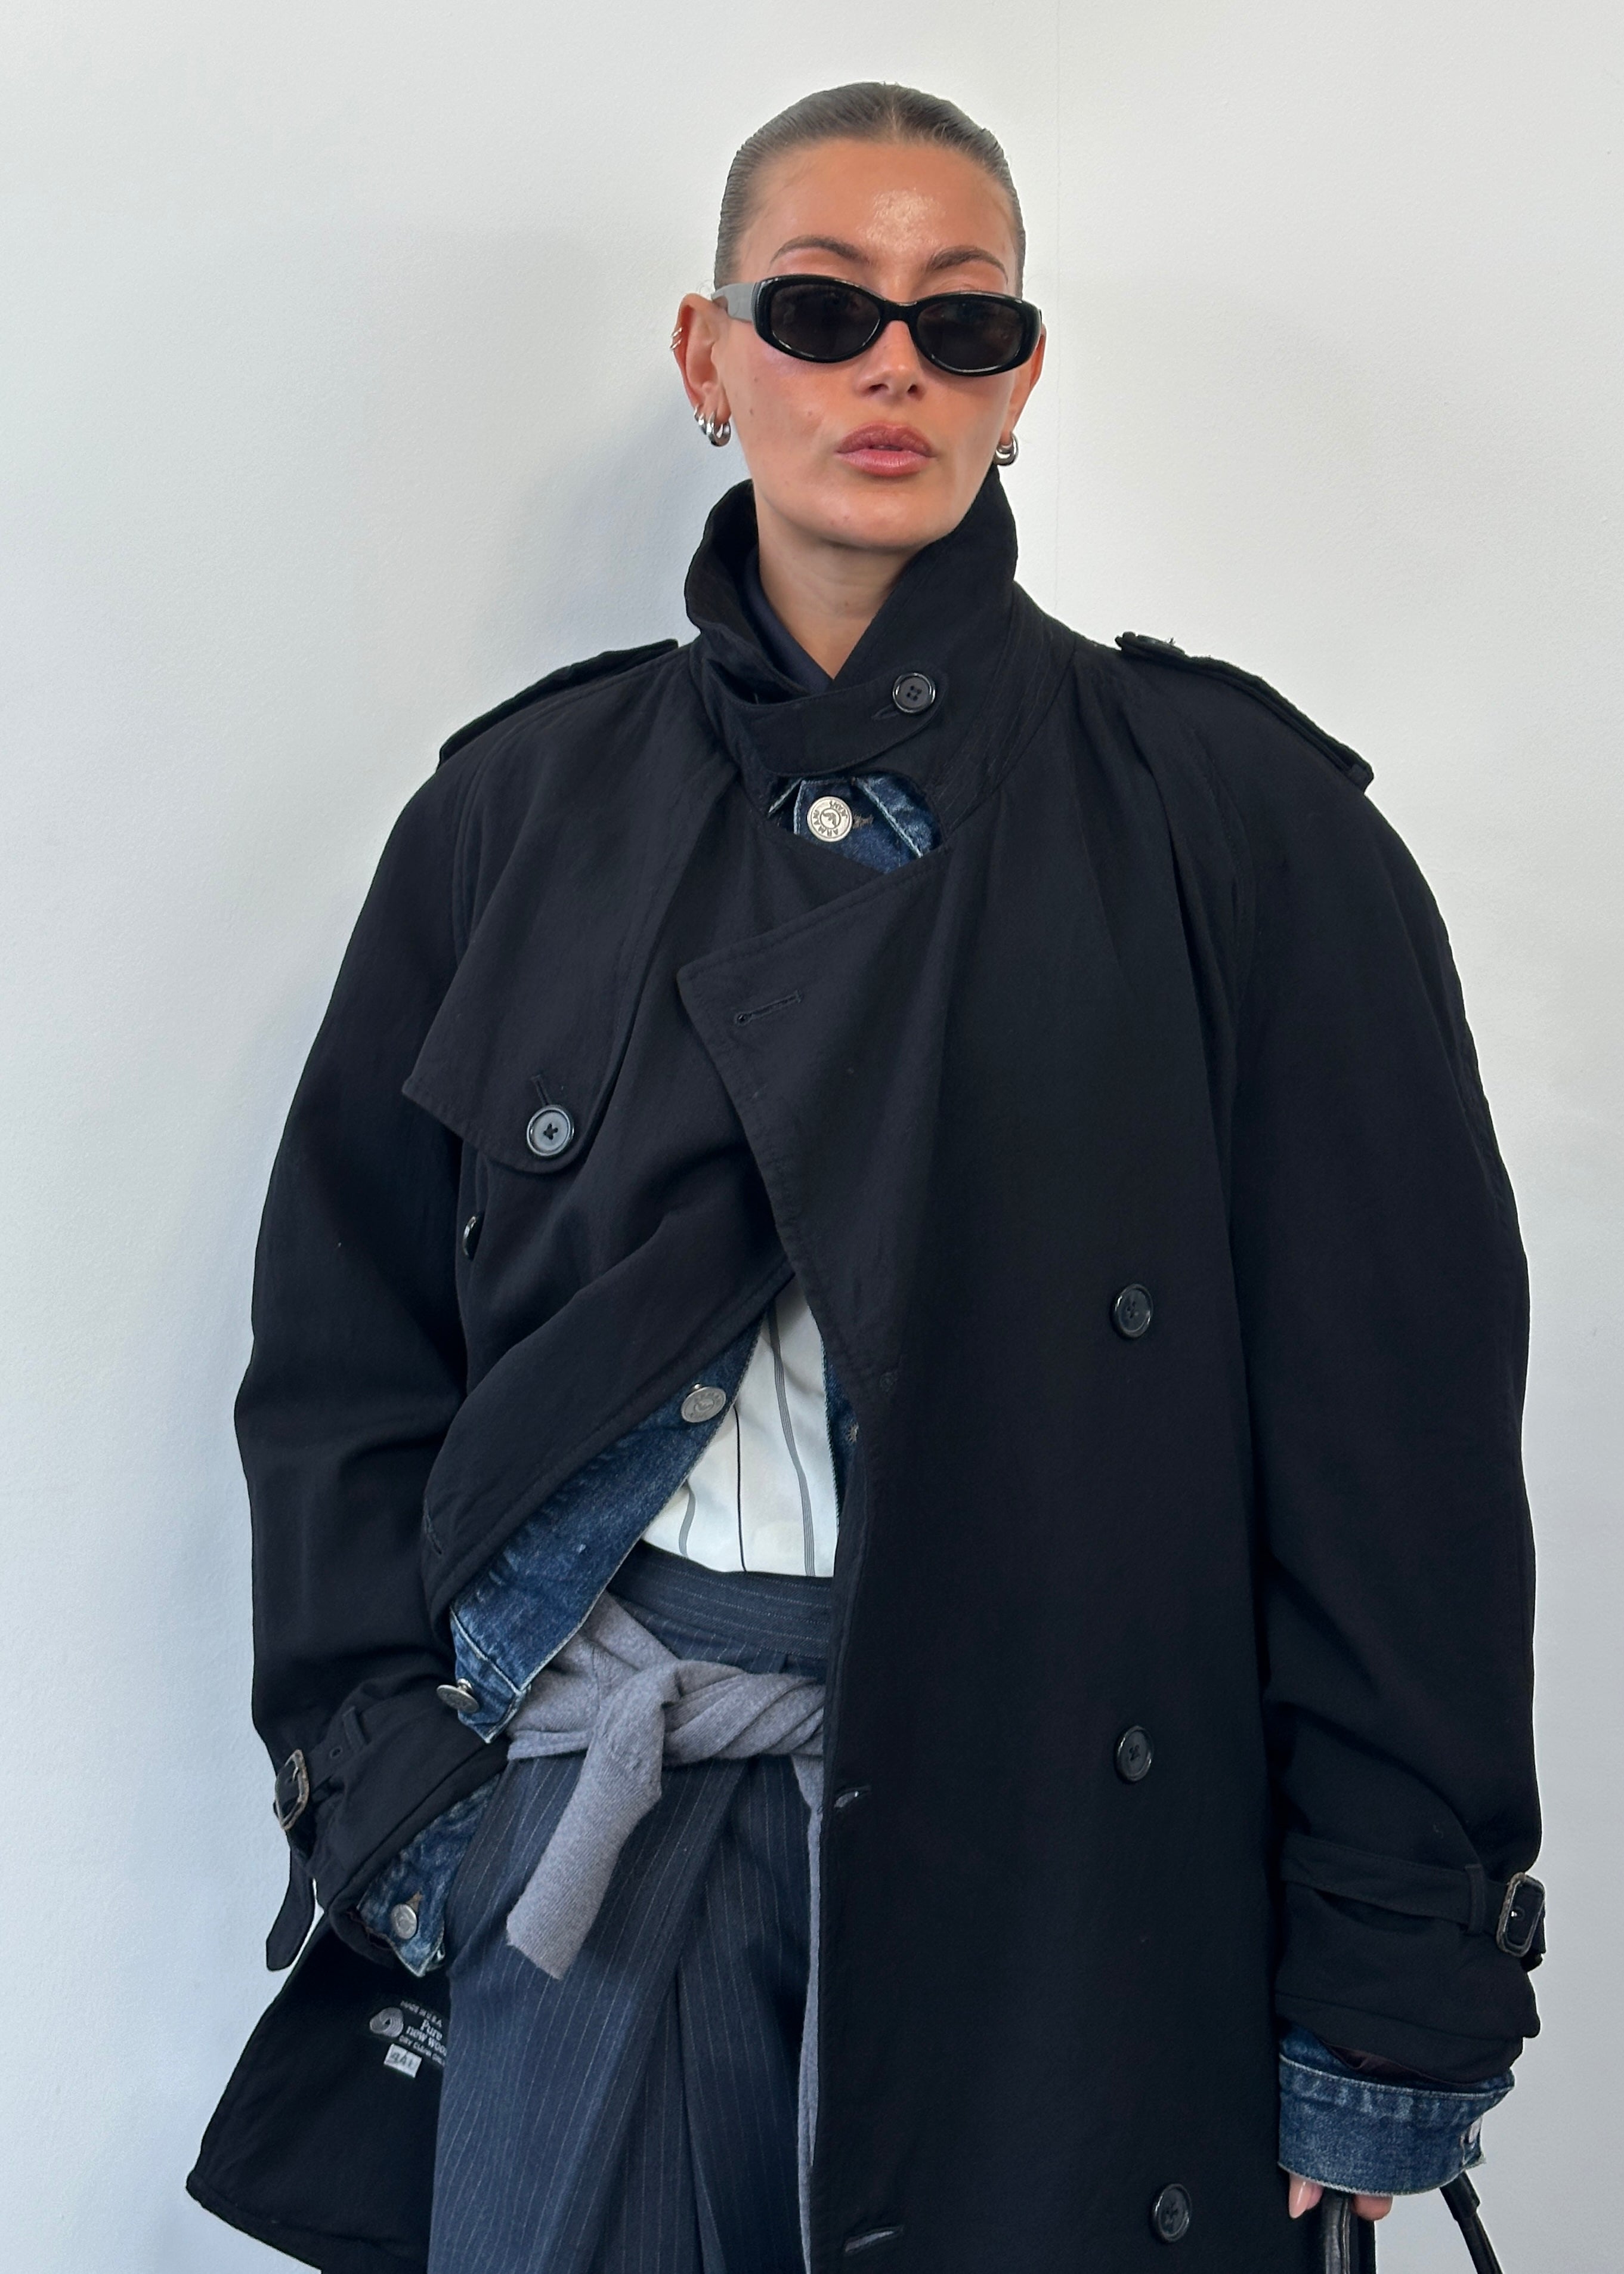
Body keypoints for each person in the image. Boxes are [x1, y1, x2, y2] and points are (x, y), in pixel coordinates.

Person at [192, 82, 1543, 2274]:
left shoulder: (1239, 825)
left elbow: (1399, 1460)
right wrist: (393, 1793)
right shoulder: (515, 819)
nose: (889, 368)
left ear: (1023, 379)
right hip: (604, 1826)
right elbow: (347, 1359)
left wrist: (1385, 1996)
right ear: (708, 357)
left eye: (960, 319)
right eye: (821, 310)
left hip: (1080, 1854)